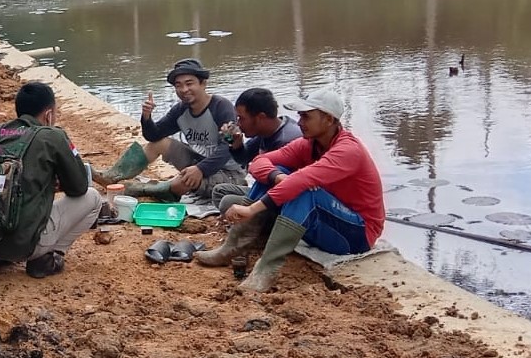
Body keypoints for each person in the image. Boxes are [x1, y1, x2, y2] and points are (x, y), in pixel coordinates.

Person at [198, 88, 385, 292]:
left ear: (329, 120)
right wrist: (277, 177)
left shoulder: (347, 150)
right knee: (279, 173)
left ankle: (266, 270)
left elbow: (302, 180)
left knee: (304, 190)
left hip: (358, 233)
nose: (300, 122)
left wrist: (252, 210)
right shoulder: (308, 144)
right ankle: (232, 248)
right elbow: (258, 163)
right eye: (300, 116)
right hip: (325, 219)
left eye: (306, 116)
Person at [0, 82, 105, 279]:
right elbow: (79, 187)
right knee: (93, 198)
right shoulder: (51, 136)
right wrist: (55, 182)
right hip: (25, 244)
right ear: (49, 114)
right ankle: (47, 257)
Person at [94, 58, 246, 202]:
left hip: (228, 173)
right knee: (159, 144)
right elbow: (153, 136)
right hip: (198, 162)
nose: (184, 89)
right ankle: (113, 176)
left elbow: (228, 147)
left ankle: (138, 189)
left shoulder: (221, 107)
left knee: (181, 182)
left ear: (203, 83)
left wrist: (200, 169)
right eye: (178, 85)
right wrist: (146, 118)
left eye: (189, 83)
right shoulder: (181, 110)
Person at [210, 87, 303, 211]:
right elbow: (244, 159)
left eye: (241, 118)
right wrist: (236, 144)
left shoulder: (286, 140)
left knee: (227, 201)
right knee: (219, 191)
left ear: (260, 117)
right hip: (265, 189)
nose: (238, 124)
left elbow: (284, 188)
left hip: (281, 200)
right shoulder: (266, 132)